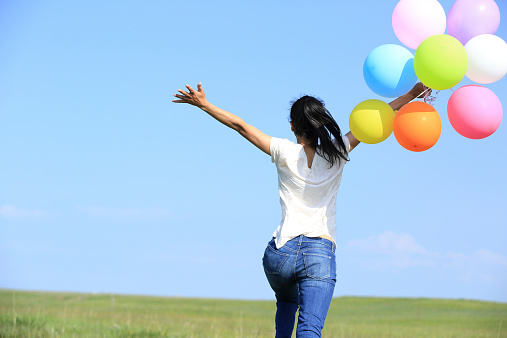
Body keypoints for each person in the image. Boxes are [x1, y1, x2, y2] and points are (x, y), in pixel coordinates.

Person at [172, 82, 427, 337]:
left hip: (280, 255)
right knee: (309, 330)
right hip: (318, 254)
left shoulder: (284, 151)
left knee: (286, 301)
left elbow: (239, 125)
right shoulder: (338, 151)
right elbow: (376, 118)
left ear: (293, 126)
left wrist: (204, 104)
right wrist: (413, 94)